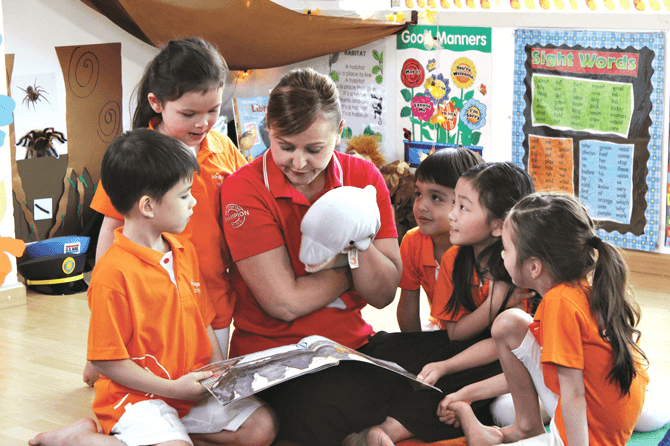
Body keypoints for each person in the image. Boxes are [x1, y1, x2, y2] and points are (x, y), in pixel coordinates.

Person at [29, 129, 277, 446]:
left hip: (186, 391)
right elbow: (106, 361)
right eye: (185, 195)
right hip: (136, 399)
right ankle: (72, 440)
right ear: (148, 206)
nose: (194, 202)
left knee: (262, 427)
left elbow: (202, 323)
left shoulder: (184, 253)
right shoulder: (113, 272)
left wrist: (220, 380)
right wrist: (174, 389)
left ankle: (167, 436)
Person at [85, 37, 246, 385]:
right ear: (156, 103)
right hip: (152, 298)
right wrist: (101, 295)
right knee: (156, 383)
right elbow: (110, 227)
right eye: (189, 114)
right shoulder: (135, 155)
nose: (204, 123)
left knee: (209, 383)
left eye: (214, 111)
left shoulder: (223, 147)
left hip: (213, 293)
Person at [444, 192, 649, 446]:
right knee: (509, 324)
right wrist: (467, 394)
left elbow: (573, 392)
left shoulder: (559, 303)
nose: (503, 256)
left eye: (506, 249)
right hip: (598, 416)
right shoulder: (576, 288)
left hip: (588, 436)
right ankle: (525, 427)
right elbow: (534, 373)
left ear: (534, 267)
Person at [397, 147, 484, 332]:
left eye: (436, 197)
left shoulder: (481, 247)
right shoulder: (413, 242)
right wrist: (412, 350)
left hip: (484, 338)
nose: (421, 206)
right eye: (418, 194)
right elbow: (407, 308)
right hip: (442, 330)